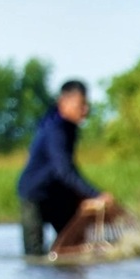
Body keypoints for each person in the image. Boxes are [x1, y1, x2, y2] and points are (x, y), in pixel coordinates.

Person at [17, 80, 118, 256]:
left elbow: (67, 169)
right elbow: (63, 170)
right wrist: (95, 194)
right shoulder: (56, 129)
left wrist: (83, 195)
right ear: (64, 103)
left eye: (87, 104)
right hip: (34, 195)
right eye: (81, 104)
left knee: (73, 247)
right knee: (34, 257)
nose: (86, 109)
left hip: (57, 194)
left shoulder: (68, 127)